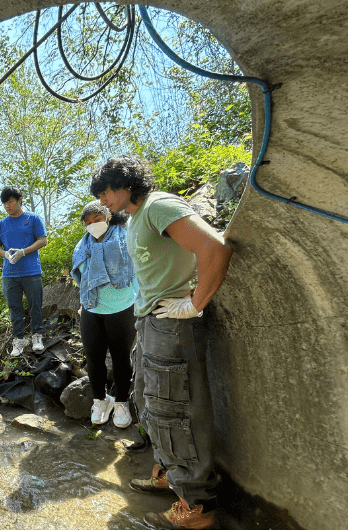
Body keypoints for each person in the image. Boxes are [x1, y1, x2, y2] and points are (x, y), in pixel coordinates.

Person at [90, 155, 233, 530]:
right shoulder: (136, 219)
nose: (102, 200)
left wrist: (194, 303)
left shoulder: (158, 205)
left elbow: (215, 248)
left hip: (173, 323)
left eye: (105, 191)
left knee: (178, 408)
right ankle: (170, 474)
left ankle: (196, 506)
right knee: (151, 402)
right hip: (151, 321)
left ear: (125, 185)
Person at [70, 200, 138, 429]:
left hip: (122, 306)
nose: (93, 225)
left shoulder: (125, 235)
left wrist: (140, 295)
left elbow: (138, 265)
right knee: (94, 359)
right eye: (88, 222)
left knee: (120, 358)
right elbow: (80, 275)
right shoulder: (83, 245)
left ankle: (121, 402)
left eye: (97, 219)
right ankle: (101, 400)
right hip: (91, 308)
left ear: (108, 216)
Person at [0, 186, 48, 357]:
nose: (7, 205)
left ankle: (37, 336)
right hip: (9, 274)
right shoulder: (1, 224)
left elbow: (43, 240)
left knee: (35, 305)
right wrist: (5, 254)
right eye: (5, 203)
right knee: (14, 307)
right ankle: (19, 340)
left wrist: (24, 251)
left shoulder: (33, 218)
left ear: (20, 200)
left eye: (10, 201)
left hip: (31, 271)